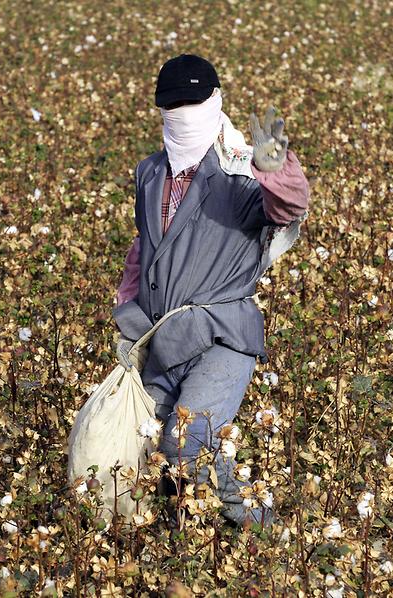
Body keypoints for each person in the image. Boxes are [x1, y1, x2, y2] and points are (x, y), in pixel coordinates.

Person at [111, 54, 310, 528]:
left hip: (221, 335)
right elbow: (145, 246)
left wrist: (276, 166)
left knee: (186, 438)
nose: (184, 110)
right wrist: (127, 312)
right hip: (161, 337)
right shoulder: (150, 173)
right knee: (152, 451)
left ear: (216, 101)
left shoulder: (243, 168)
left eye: (193, 101)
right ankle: (226, 530)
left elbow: (288, 208)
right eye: (174, 103)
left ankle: (249, 530)